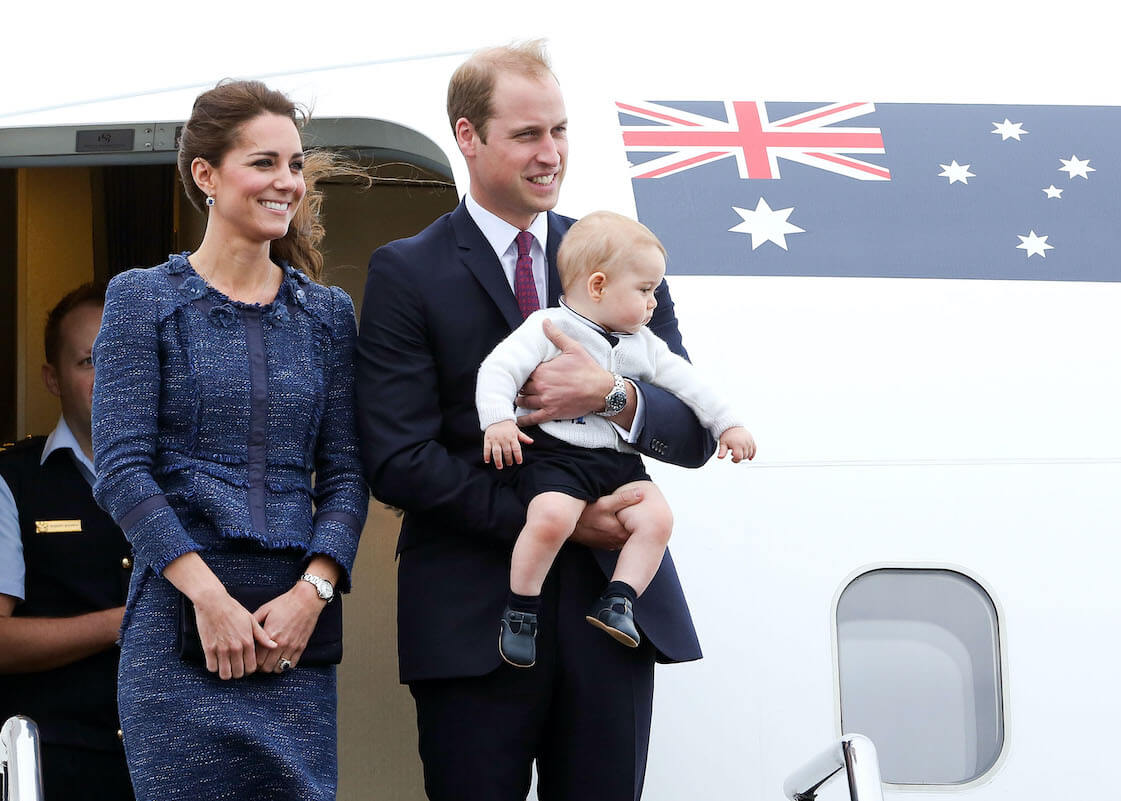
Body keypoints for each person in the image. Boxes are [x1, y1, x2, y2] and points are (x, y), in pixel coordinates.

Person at [356, 42, 714, 801]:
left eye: (558, 131)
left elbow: (691, 432)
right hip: (472, 617)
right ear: (467, 136)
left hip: (609, 612)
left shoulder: (618, 258)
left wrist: (611, 397)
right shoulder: (406, 270)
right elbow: (398, 457)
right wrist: (562, 519)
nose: (549, 153)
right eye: (526, 135)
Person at [90, 80, 368, 801]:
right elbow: (121, 467)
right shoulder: (142, 297)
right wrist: (208, 598)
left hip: (293, 637)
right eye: (265, 162)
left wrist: (314, 590)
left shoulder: (328, 315)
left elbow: (344, 473)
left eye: (297, 165)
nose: (287, 183)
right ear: (205, 175)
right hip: (178, 629)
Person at [477, 211, 756, 668]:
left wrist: (728, 424)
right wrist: (498, 421)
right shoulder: (549, 327)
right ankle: (522, 609)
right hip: (561, 457)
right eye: (645, 291)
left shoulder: (644, 343)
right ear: (600, 286)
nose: (653, 304)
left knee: (657, 518)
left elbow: (690, 386)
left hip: (621, 464)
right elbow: (498, 369)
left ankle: (619, 599)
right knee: (550, 516)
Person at [0, 283, 135, 801]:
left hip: (173, 760)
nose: (112, 378)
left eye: (125, 357)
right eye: (88, 361)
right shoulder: (13, 481)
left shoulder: (189, 478)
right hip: (59, 766)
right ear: (52, 379)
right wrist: (120, 624)